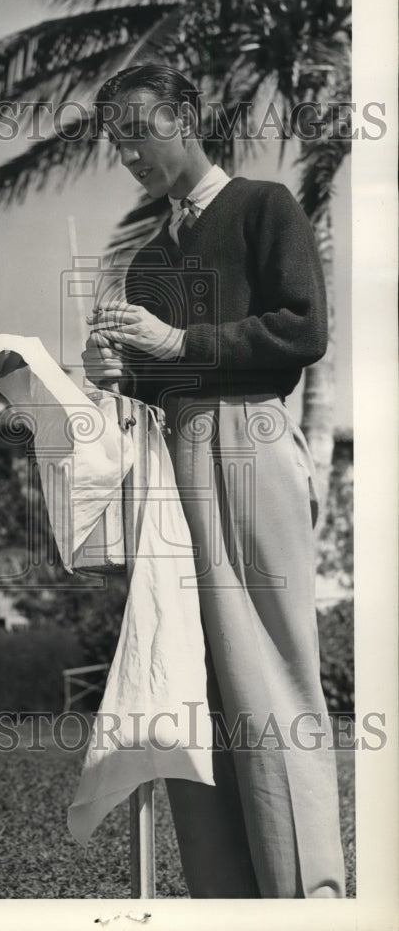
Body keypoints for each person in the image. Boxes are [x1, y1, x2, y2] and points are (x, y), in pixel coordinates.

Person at [82, 64, 345, 898]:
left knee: (270, 671)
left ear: (187, 117)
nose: (128, 152)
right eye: (116, 141)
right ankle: (226, 897)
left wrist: (176, 346)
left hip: (253, 442)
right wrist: (113, 372)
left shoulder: (265, 206)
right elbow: (154, 378)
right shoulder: (148, 262)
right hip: (175, 461)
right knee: (191, 677)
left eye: (139, 129)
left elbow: (303, 331)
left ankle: (310, 894)